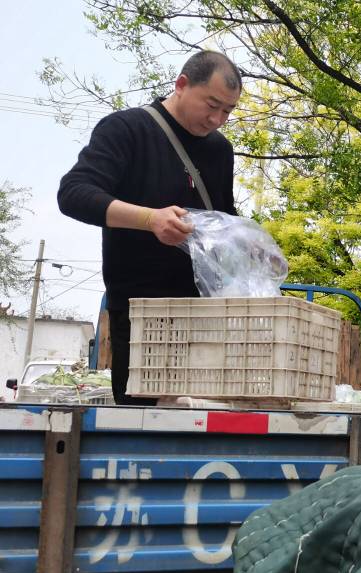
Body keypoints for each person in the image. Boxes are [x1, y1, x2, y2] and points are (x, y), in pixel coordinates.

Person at [58, 50, 242, 404]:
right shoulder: (126, 129)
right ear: (181, 85)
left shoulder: (220, 150)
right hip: (143, 317)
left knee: (206, 425)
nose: (218, 119)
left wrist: (246, 243)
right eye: (212, 105)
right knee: (146, 427)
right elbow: (74, 193)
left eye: (228, 111)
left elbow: (223, 217)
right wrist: (150, 219)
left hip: (205, 317)